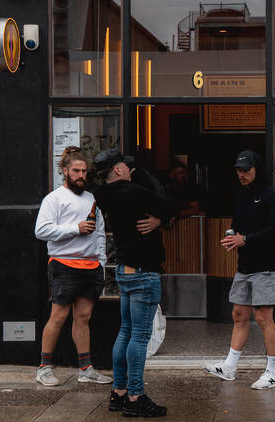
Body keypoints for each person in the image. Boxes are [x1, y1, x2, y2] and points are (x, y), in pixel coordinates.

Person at [94, 148, 172, 418]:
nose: (130, 169)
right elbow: (166, 201)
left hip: (125, 271)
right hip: (143, 271)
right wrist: (161, 218)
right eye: (127, 166)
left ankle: (119, 392)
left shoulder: (103, 195)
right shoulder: (135, 193)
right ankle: (135, 397)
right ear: (118, 170)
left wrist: (159, 218)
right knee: (139, 336)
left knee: (126, 331)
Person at [204, 150, 275, 390]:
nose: (242, 174)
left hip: (267, 267)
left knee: (263, 317)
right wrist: (232, 236)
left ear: (257, 169)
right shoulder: (240, 195)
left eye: (246, 170)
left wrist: (246, 239)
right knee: (239, 314)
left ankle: (273, 372)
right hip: (245, 266)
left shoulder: (272, 196)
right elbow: (238, 225)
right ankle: (229, 367)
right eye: (238, 170)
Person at [33, 147, 112, 386]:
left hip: (91, 266)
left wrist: (101, 261)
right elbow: (41, 231)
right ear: (65, 171)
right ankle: (44, 368)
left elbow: (99, 231)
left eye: (84, 171)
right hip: (64, 264)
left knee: (84, 317)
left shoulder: (90, 198)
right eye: (76, 170)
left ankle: (85, 369)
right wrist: (74, 229)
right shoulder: (54, 198)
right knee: (58, 316)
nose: (81, 175)